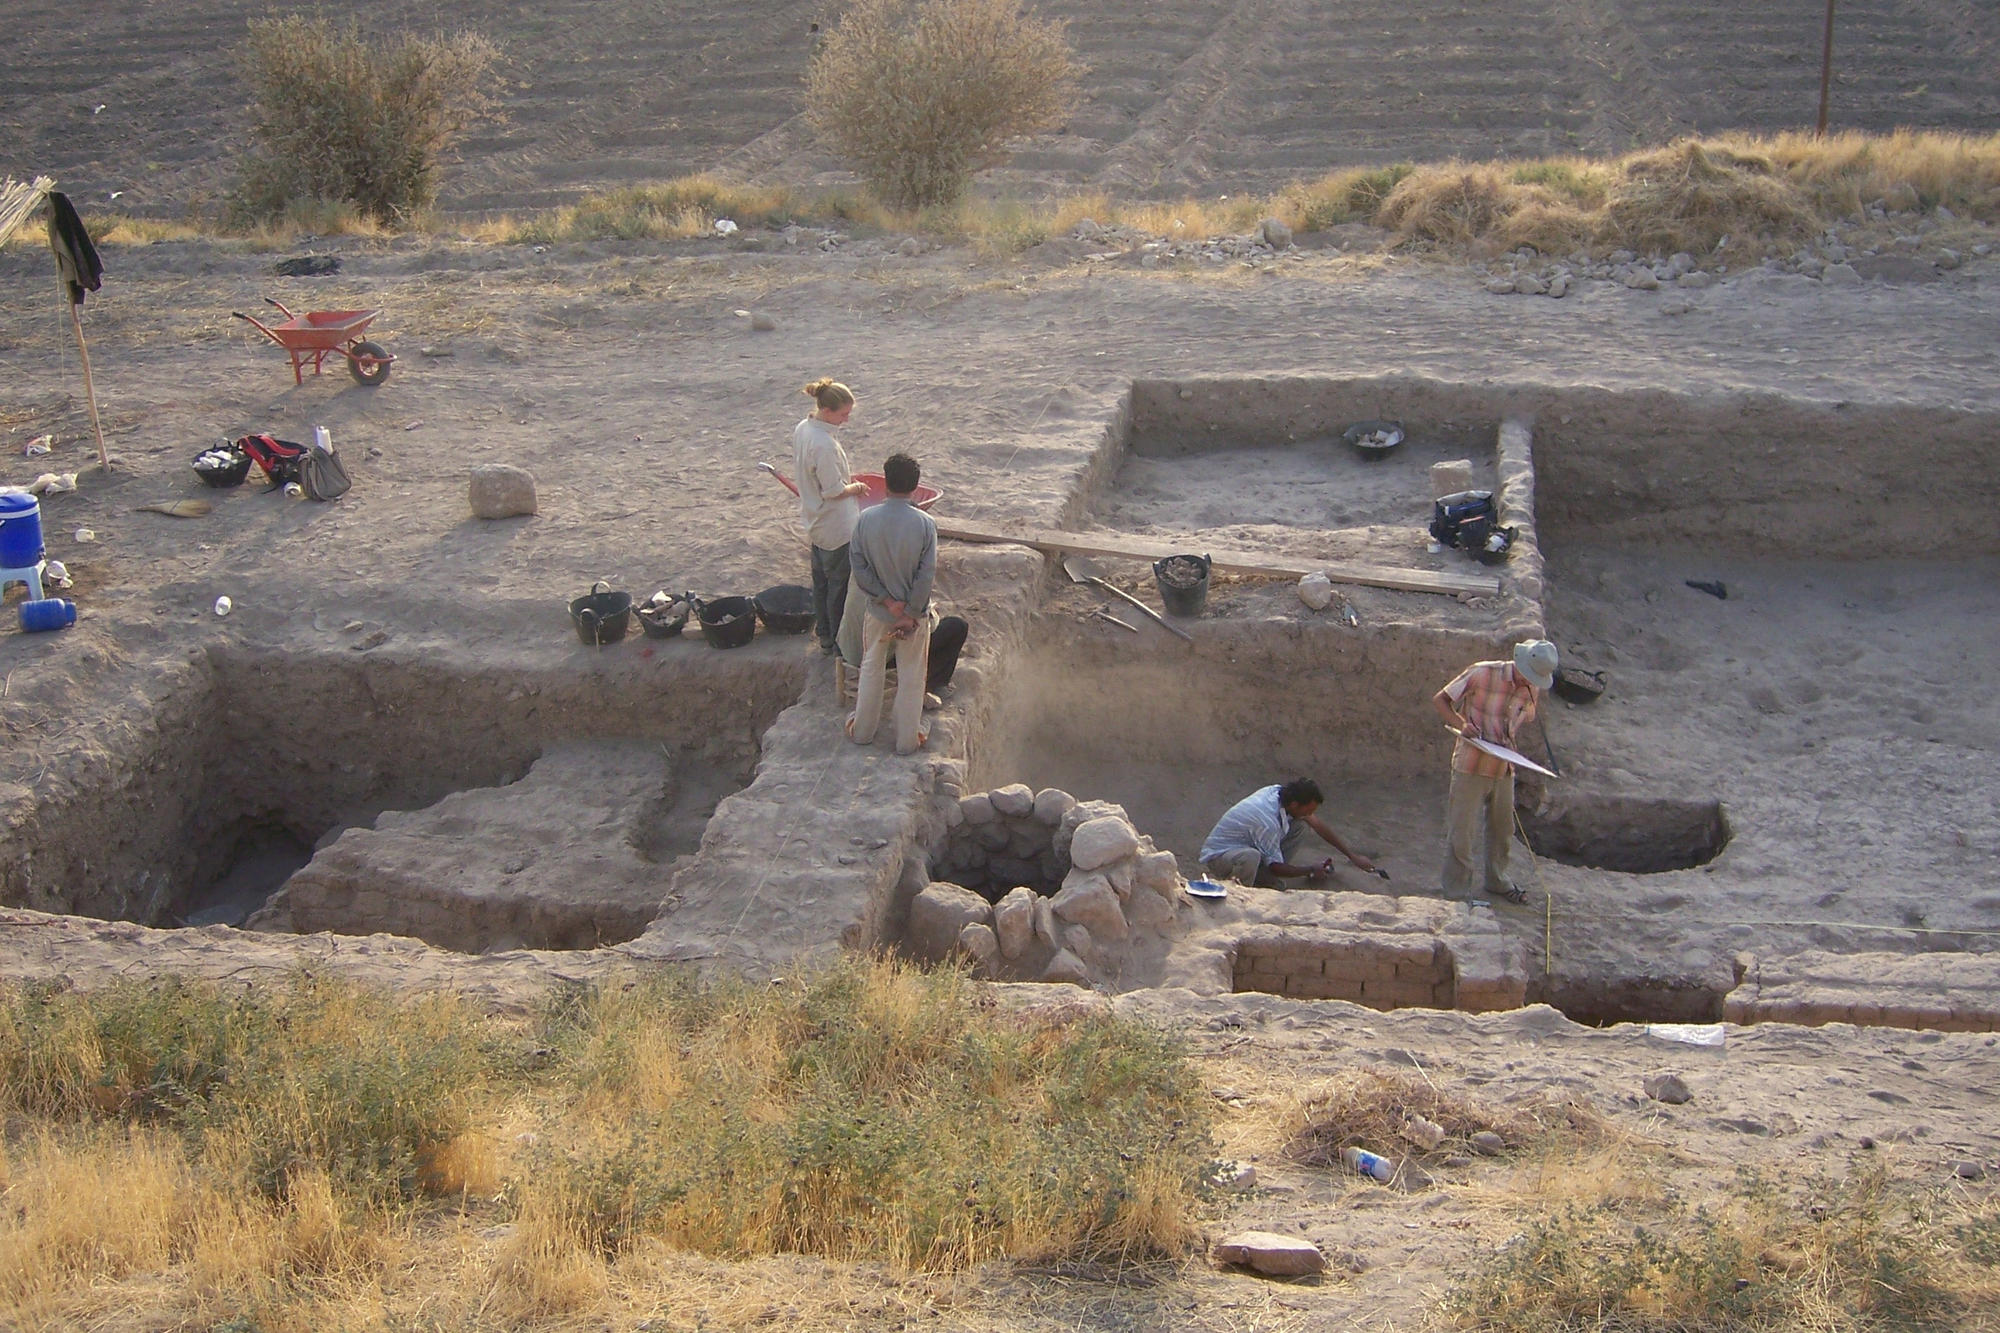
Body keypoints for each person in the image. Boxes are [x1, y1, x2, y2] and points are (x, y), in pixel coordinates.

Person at [1431, 639, 1557, 904]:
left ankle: (1497, 881)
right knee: (1462, 833)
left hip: (1504, 767)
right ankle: (1456, 892)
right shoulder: (1482, 673)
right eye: (1530, 675)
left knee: (1503, 830)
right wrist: (1461, 724)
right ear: (1521, 664)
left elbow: (1522, 719)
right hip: (1471, 764)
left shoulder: (1532, 687)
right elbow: (1441, 700)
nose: (1531, 681)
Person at [842, 452, 940, 753]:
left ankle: (862, 732)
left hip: (878, 611)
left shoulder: (865, 519)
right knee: (912, 674)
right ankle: (906, 741)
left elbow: (859, 568)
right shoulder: (925, 523)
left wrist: (887, 601)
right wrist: (909, 612)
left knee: (871, 669)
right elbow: (926, 575)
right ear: (915, 486)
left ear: (886, 483)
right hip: (913, 617)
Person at [791, 378, 869, 657]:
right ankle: (837, 641)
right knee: (838, 587)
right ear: (826, 410)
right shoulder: (823, 444)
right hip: (836, 526)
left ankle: (823, 633)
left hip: (815, 520)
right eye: (843, 414)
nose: (846, 420)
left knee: (821, 583)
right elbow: (834, 490)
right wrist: (856, 487)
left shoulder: (804, 428)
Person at [1199, 778, 1376, 888]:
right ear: (1294, 805)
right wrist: (1309, 870)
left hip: (1244, 845)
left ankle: (1264, 880)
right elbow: (1275, 865)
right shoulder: (1267, 822)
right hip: (1220, 857)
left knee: (1299, 826)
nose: (1309, 815)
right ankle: (1241, 896)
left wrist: (1353, 856)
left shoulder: (1277, 792)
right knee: (1251, 856)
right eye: (1307, 810)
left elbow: (1316, 824)